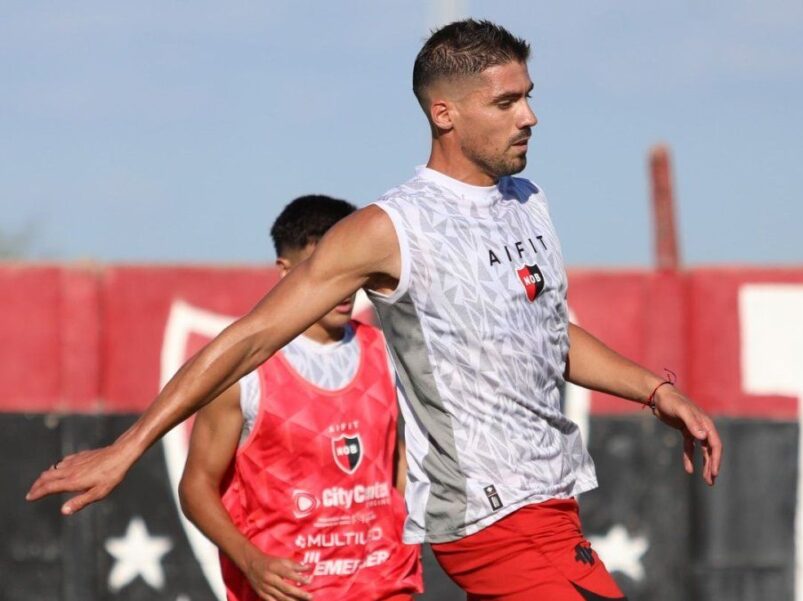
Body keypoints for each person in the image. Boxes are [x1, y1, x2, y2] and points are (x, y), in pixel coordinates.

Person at [29, 19, 723, 600]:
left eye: (529, 96)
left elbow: (548, 337)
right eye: (507, 101)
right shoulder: (391, 226)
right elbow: (250, 338)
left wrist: (656, 390)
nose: (529, 115)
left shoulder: (526, 199)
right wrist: (129, 446)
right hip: (492, 518)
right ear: (443, 113)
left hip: (554, 504)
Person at [178, 195, 422, 601]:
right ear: (286, 271)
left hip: (380, 585)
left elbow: (396, 458)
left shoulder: (389, 353)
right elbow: (196, 485)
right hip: (292, 590)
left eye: (351, 268)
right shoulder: (246, 372)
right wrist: (251, 560)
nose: (342, 286)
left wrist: (401, 539)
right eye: (323, 269)